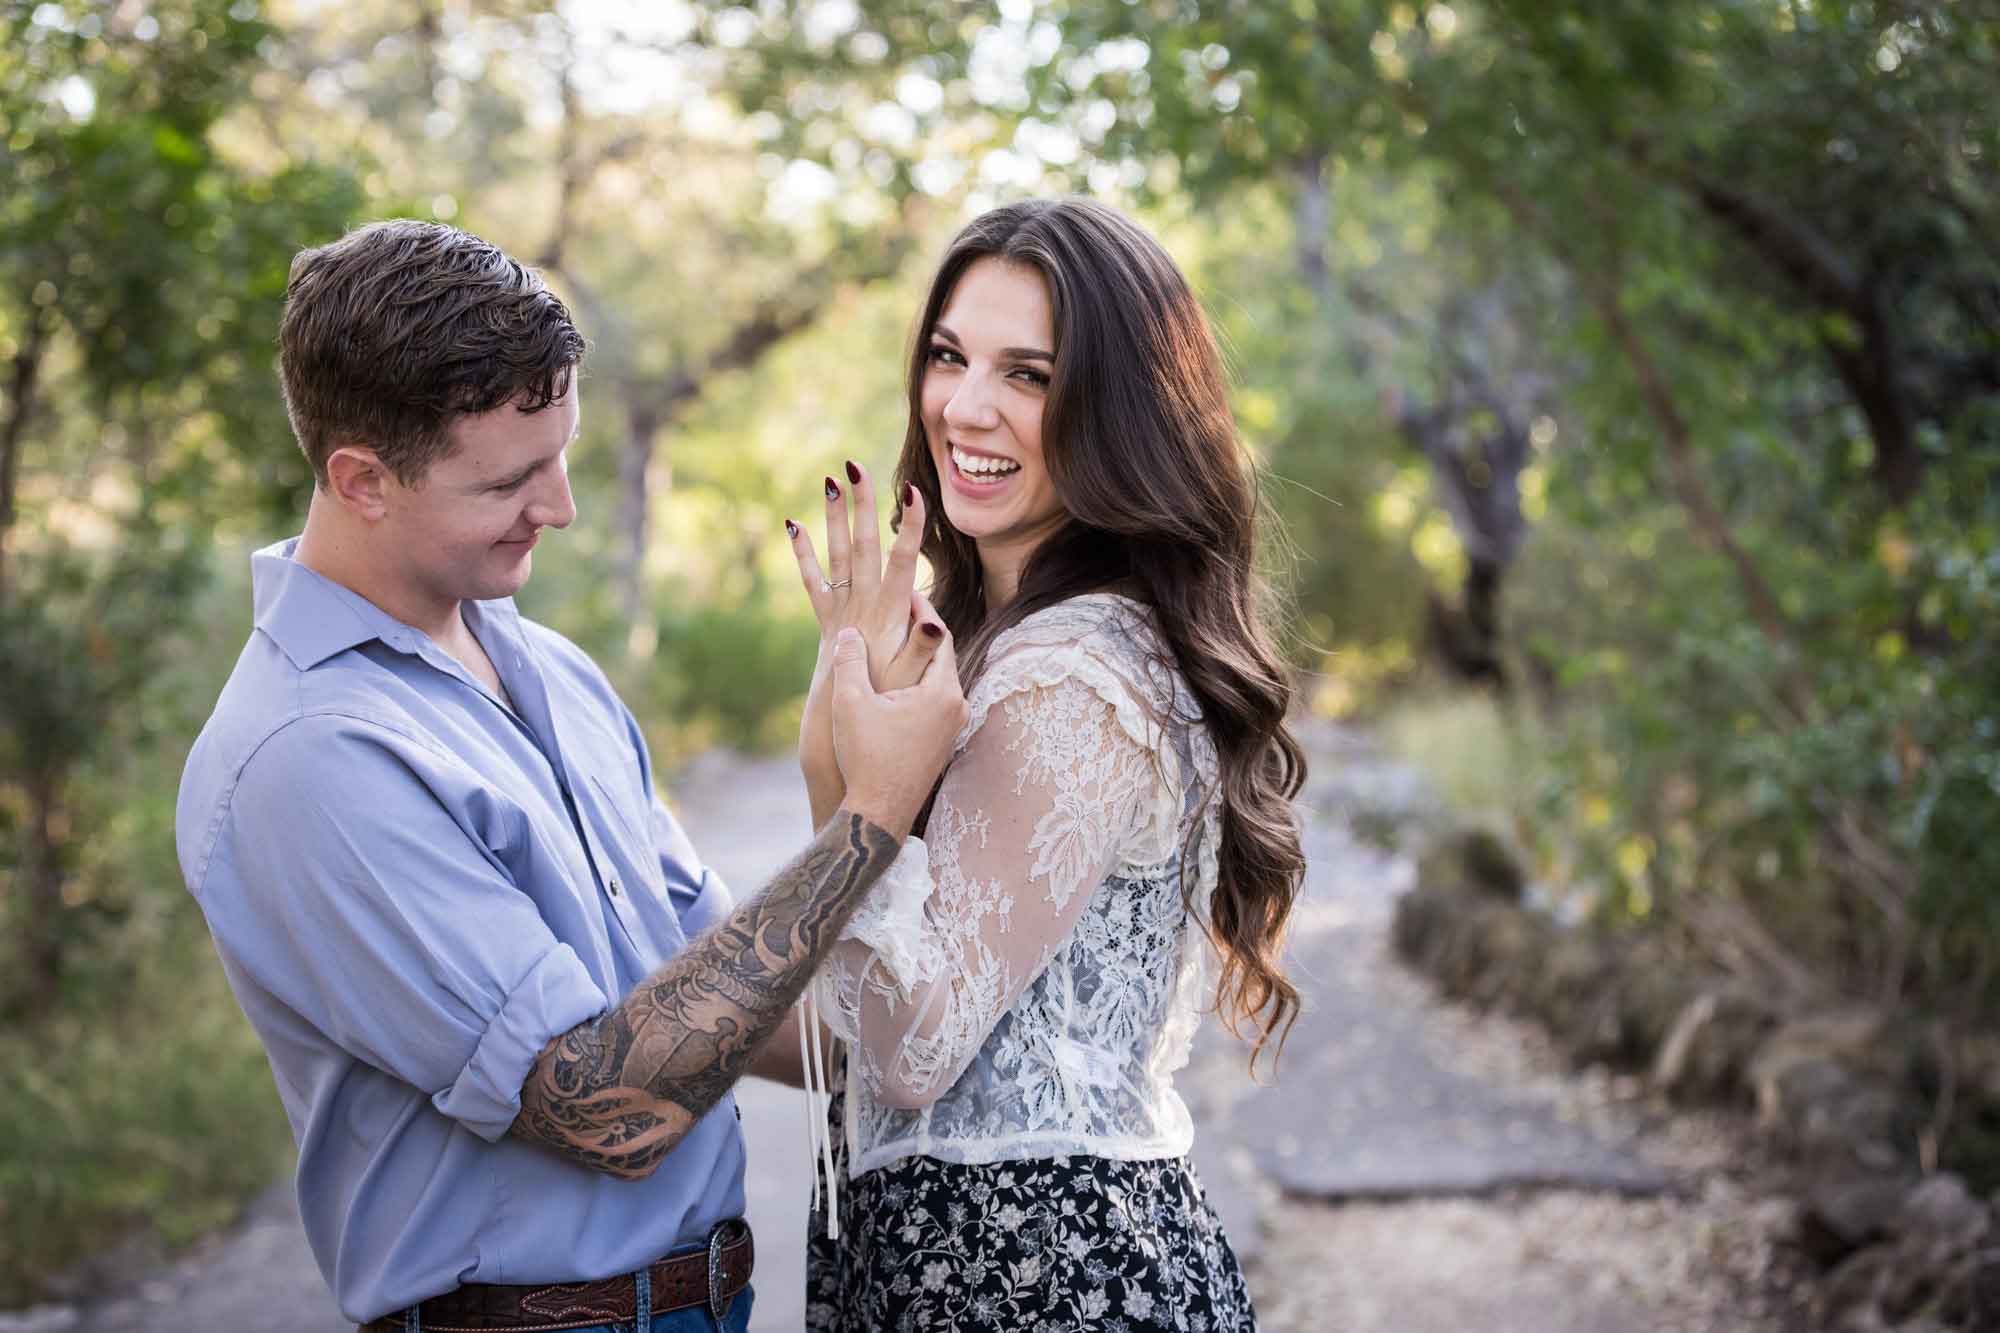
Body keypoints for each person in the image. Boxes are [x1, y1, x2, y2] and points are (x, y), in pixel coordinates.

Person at [173, 219, 966, 1333]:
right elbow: (611, 1105)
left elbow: (738, 1013)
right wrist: (871, 813)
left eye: (562, 456)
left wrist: (982, 999)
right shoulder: (307, 758)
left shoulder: (547, 667)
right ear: (362, 480)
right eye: (510, 479)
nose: (561, 508)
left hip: (711, 1305)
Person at [783, 197, 1308, 1330]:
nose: (964, 408)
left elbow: (912, 1047)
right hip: (966, 1268)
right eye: (947, 355)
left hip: (1035, 1281)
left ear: (1117, 413)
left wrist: (848, 790)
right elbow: (863, 1018)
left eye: (1027, 375)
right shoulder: (993, 649)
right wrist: (640, 1017)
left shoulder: (1069, 678)